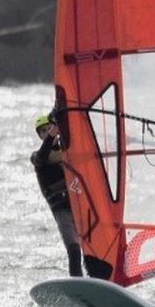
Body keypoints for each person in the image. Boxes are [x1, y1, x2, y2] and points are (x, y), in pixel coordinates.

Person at [31, 113, 112, 279]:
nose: (47, 132)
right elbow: (42, 157)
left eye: (49, 129)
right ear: (40, 136)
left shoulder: (70, 151)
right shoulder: (37, 156)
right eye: (43, 131)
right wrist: (53, 133)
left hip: (80, 206)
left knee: (96, 249)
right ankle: (78, 283)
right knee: (74, 248)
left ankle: (102, 282)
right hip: (61, 209)